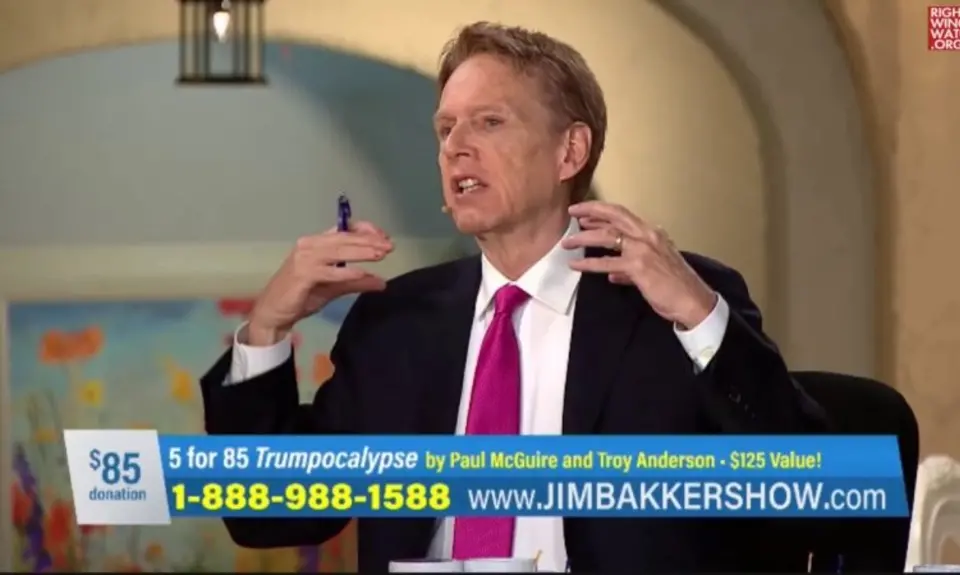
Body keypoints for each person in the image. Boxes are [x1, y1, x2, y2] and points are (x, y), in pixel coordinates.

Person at [200, 21, 830, 572]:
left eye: (490, 122)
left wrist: (697, 313)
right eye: (445, 128)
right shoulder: (398, 323)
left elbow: (811, 495)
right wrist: (265, 330)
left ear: (570, 151)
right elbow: (269, 514)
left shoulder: (667, 305)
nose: (456, 146)